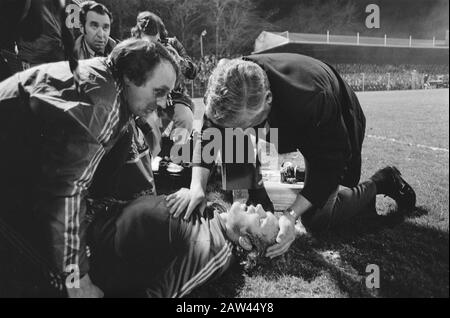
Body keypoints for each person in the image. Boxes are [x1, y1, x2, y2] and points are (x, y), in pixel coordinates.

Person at [166, 54, 416, 259]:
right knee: (236, 148)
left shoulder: (313, 100)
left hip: (332, 115)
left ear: (267, 101)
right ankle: (263, 181)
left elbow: (330, 165)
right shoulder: (231, 82)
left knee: (318, 218)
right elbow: (212, 129)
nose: (235, 136)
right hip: (276, 117)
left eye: (244, 127)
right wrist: (196, 187)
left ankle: (383, 181)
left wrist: (291, 215)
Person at [0, 38, 179, 297]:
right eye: (159, 91)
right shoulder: (102, 104)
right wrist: (78, 280)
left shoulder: (108, 83)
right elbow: (65, 192)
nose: (164, 103)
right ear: (130, 76)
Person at [87, 196, 279, 297]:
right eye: (265, 211)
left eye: (261, 220)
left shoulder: (210, 249)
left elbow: (160, 293)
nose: (259, 208)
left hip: (89, 243)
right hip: (101, 210)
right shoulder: (219, 216)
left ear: (245, 241)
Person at [131, 11, 197, 157]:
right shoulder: (134, 49)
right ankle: (150, 157)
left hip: (175, 97)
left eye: (156, 40)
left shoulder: (172, 43)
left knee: (185, 118)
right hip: (148, 100)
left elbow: (193, 72)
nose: (154, 45)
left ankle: (177, 155)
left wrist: (179, 60)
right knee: (146, 125)